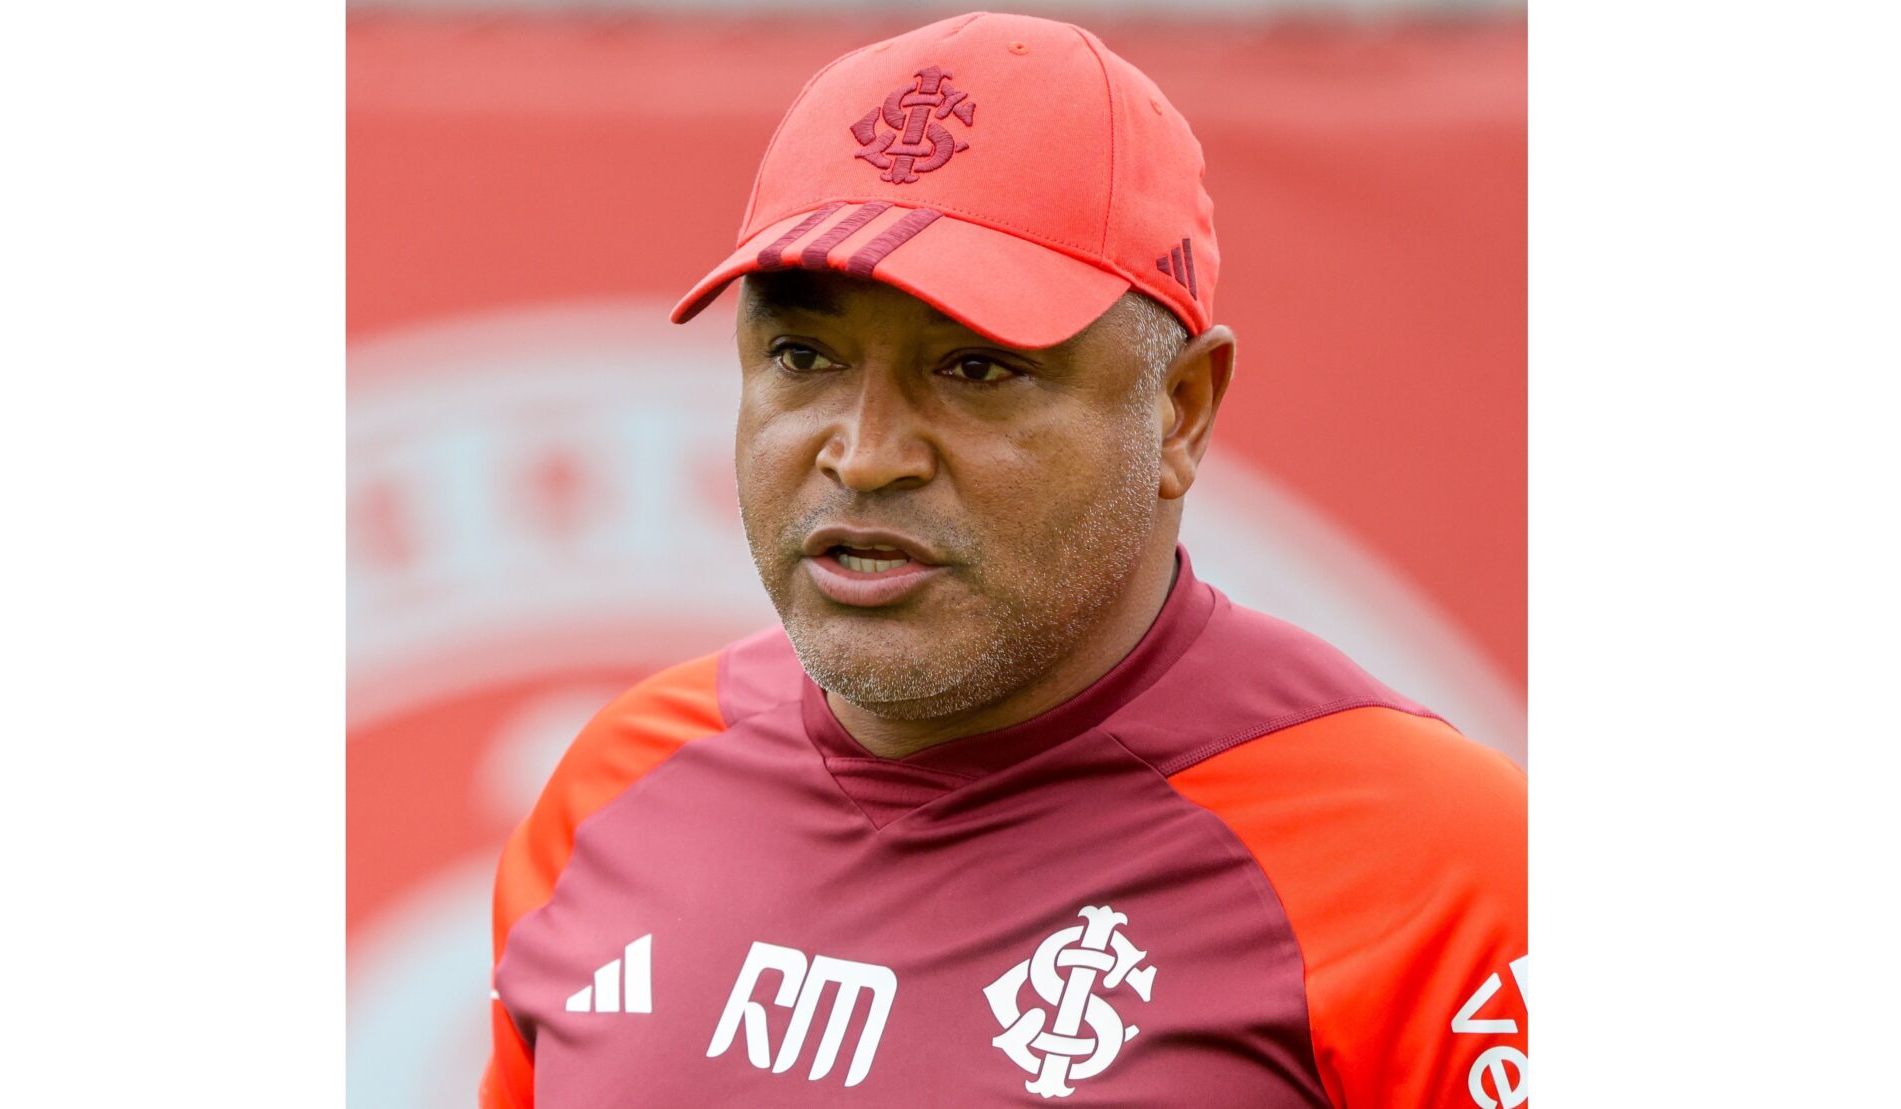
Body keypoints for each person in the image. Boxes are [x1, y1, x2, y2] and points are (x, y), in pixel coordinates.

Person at [481, 12, 1525, 1108]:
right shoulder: (617, 787)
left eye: (976, 368)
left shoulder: (1439, 869)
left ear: (1179, 410)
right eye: (803, 355)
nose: (866, 453)